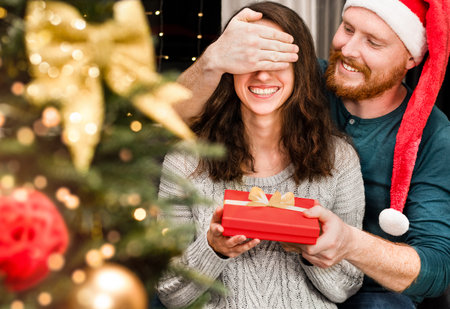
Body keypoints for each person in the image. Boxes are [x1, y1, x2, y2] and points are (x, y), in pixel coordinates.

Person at [173, 0, 450, 308]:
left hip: (371, 286)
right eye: (347, 28)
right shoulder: (303, 79)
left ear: (410, 58)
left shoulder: (434, 135)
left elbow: (436, 268)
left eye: (372, 42)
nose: (348, 50)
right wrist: (213, 61)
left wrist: (347, 243)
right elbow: (169, 119)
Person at [156, 2, 366, 308]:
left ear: (300, 69)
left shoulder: (339, 159)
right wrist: (213, 249)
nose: (263, 75)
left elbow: (347, 287)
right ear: (229, 68)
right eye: (251, 59)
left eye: (276, 60)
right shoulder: (187, 161)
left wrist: (311, 248)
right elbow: (169, 291)